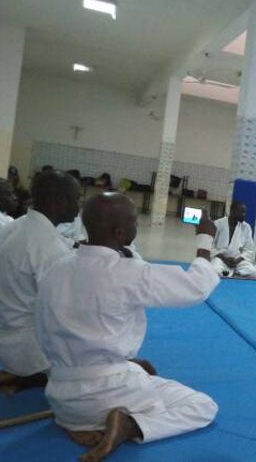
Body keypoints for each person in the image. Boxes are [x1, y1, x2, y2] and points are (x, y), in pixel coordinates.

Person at [35, 192, 219, 462]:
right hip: (109, 394)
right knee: (202, 406)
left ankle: (92, 422)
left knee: (140, 374)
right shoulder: (128, 272)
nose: (137, 225)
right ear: (119, 232)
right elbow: (196, 286)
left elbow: (58, 335)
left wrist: (123, 364)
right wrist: (204, 240)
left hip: (62, 399)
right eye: (134, 221)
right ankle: (130, 426)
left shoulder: (55, 269)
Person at [0, 170, 80, 393]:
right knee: (108, 368)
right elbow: (63, 313)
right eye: (75, 199)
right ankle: (27, 378)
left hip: (10, 336)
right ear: (59, 202)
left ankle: (22, 376)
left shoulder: (18, 227)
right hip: (32, 350)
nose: (78, 206)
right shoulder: (48, 246)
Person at [209, 201, 256, 277]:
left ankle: (234, 273)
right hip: (220, 259)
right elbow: (210, 246)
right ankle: (232, 273)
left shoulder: (246, 227)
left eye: (244, 212)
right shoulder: (218, 224)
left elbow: (249, 249)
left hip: (237, 260)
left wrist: (237, 260)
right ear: (233, 211)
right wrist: (224, 259)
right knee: (214, 269)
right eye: (242, 212)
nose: (244, 215)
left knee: (253, 271)